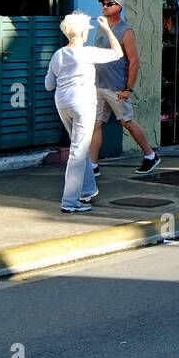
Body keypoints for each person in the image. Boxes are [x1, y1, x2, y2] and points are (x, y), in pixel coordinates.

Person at [44, 12, 122, 212]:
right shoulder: (86, 53)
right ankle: (70, 202)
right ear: (80, 33)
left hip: (63, 104)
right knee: (77, 153)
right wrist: (107, 29)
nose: (88, 33)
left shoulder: (58, 54)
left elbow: (48, 85)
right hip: (83, 105)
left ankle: (87, 189)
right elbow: (117, 53)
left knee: (80, 146)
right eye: (87, 30)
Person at [87, 0, 160, 178]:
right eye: (103, 3)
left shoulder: (125, 31)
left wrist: (128, 88)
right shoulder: (101, 28)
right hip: (99, 85)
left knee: (127, 121)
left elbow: (134, 62)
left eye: (109, 4)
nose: (105, 6)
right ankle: (92, 166)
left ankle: (150, 155)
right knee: (96, 124)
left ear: (119, 7)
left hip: (116, 86)